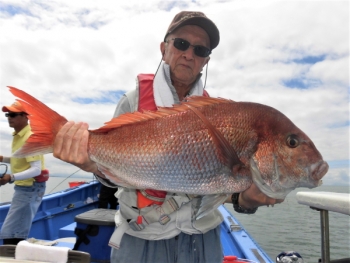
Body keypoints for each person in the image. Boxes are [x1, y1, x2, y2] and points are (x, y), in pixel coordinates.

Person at [52, 11, 284, 263]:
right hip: (143, 236)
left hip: (201, 236)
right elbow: (110, 177)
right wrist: (91, 164)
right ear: (164, 49)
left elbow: (215, 184)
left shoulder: (217, 114)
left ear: (205, 61)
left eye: (200, 50)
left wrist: (244, 200)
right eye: (181, 44)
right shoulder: (133, 101)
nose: (189, 54)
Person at [0, 101, 48, 245]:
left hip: (30, 188)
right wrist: (3, 158)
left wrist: (10, 177)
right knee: (13, 231)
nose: (9, 117)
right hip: (23, 188)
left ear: (25, 117)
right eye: (8, 114)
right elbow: (20, 160)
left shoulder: (29, 138)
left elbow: (36, 169)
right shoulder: (19, 136)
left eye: (13, 114)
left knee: (12, 232)